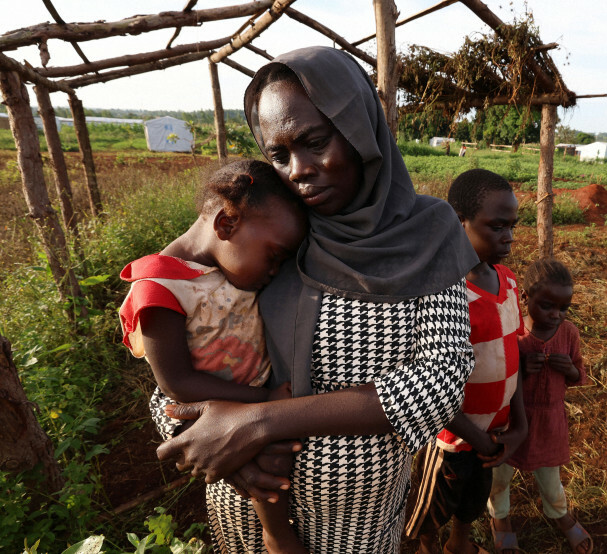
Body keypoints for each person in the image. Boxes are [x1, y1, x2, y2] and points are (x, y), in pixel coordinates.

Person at [155, 46, 479, 553]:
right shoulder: (266, 231)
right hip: (243, 502)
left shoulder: (426, 233)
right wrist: (226, 449)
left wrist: (257, 422)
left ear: (358, 127)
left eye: (314, 141)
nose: (298, 170)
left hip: (358, 522)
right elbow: (173, 367)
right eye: (278, 155)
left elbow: (440, 380)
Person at [119, 160, 308, 553]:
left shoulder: (224, 264)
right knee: (267, 458)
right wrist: (265, 404)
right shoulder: (158, 287)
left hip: (252, 396)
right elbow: (176, 383)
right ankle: (278, 537)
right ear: (226, 225)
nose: (274, 271)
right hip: (218, 408)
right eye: (273, 257)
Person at [405, 169, 528, 554]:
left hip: (493, 436)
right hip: (450, 439)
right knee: (430, 507)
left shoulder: (507, 282)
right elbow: (427, 380)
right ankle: (426, 546)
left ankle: (460, 544)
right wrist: (473, 437)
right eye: (496, 226)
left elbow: (513, 357)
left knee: (474, 498)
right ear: (460, 223)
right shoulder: (444, 293)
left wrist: (519, 425)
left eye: (512, 225)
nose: (508, 235)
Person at [487, 259, 592, 554]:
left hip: (548, 421)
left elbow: (578, 375)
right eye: (547, 306)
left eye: (563, 308)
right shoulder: (514, 334)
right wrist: (521, 366)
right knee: (500, 476)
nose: (556, 315)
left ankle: (560, 513)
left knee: (550, 476)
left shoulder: (568, 334)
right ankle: (500, 518)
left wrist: (568, 369)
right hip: (512, 419)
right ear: (525, 299)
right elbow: (499, 372)